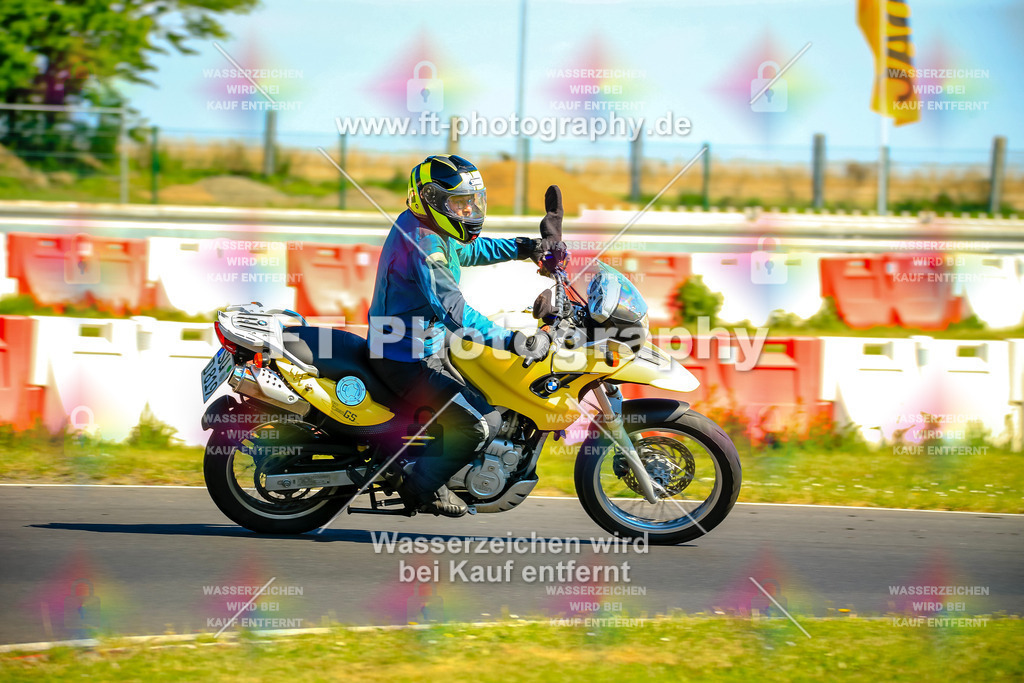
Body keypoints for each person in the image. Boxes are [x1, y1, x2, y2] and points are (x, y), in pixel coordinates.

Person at [367, 154, 562, 517]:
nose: (469, 210)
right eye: (459, 203)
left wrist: (525, 248)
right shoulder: (424, 244)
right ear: (431, 199)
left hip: (424, 343)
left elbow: (469, 250)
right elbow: (455, 312)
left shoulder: (430, 227)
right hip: (405, 358)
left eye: (472, 202)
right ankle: (420, 487)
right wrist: (514, 341)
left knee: (486, 390)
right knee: (480, 423)